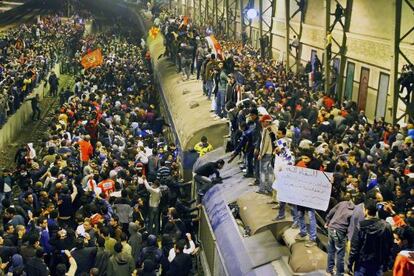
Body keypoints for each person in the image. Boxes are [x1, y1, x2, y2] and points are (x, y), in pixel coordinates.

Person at [348, 199, 394, 275]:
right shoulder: (386, 226)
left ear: (366, 210)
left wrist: (350, 263)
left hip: (362, 265)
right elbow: (389, 247)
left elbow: (354, 248)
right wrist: (386, 264)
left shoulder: (360, 226)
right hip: (378, 265)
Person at [325, 197, 355, 276]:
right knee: (340, 253)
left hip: (331, 227)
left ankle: (329, 269)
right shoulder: (355, 211)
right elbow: (352, 226)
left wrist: (327, 221)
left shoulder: (342, 203)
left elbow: (331, 211)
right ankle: (339, 273)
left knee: (331, 250)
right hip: (340, 231)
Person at [257, 114, 277, 195]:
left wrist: (261, 154)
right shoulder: (275, 128)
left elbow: (264, 143)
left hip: (266, 153)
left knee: (262, 172)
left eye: (263, 122)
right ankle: (270, 188)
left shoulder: (266, 130)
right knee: (270, 172)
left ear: (266, 122)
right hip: (272, 153)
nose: (262, 123)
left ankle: (262, 188)